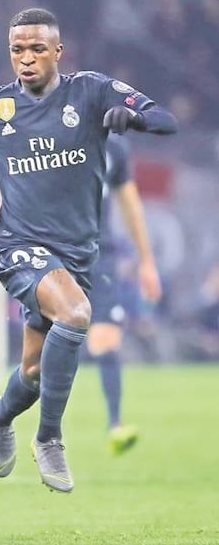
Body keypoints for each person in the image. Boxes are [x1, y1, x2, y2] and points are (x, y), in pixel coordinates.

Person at [0, 8, 177, 493]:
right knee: (76, 314)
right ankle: (49, 438)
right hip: (17, 247)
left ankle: (1, 417)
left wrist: (131, 116)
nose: (25, 59)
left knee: (32, 371)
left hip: (77, 255)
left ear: (58, 52)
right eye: (17, 50)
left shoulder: (89, 91)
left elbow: (165, 119)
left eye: (36, 50)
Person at [85, 134, 161, 455]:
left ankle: (115, 424)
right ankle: (28, 426)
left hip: (99, 254)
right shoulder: (47, 134)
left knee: (105, 339)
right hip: (53, 252)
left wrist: (146, 261)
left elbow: (130, 204)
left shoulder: (113, 147)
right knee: (38, 353)